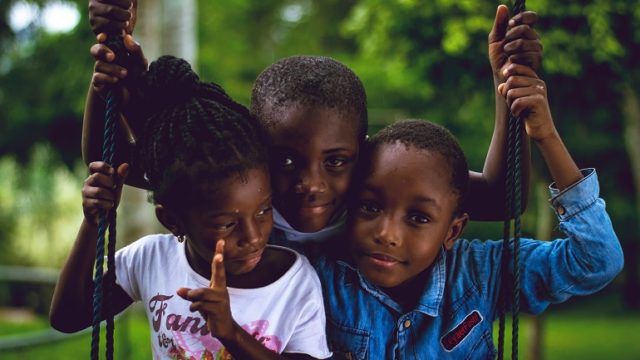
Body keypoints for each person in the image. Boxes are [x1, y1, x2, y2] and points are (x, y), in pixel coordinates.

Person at [81, 3, 541, 247]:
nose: (310, 184)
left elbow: (504, 199)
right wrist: (111, 75)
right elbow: (115, 162)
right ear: (258, 147)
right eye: (285, 159)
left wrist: (508, 92)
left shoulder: (376, 183)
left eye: (337, 161)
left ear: (361, 151)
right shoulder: (232, 184)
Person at [313, 64, 624, 358]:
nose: (386, 234)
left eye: (418, 218)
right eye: (370, 207)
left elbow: (595, 261)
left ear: (452, 231)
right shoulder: (321, 278)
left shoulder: (481, 273)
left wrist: (545, 135)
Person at [50, 56, 332, 360]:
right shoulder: (152, 260)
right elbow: (68, 317)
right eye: (226, 224)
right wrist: (93, 223)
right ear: (172, 221)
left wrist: (231, 333)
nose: (253, 236)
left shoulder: (293, 282)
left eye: (263, 210)